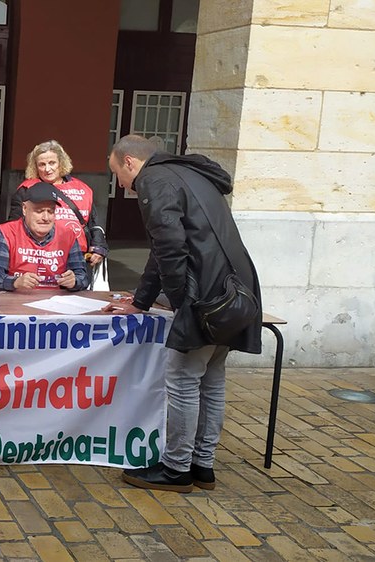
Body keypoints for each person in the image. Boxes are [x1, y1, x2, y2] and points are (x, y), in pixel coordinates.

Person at [103, 134, 262, 493]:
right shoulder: (188, 174)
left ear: (129, 162)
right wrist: (142, 300)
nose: (123, 186)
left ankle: (176, 469)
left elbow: (168, 247)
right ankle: (202, 465)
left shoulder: (154, 180)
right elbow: (169, 247)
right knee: (212, 377)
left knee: (183, 379)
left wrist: (180, 304)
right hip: (237, 288)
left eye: (118, 175)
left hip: (207, 295)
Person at [9, 140, 108, 269]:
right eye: (42, 164)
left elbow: (94, 224)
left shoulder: (83, 189)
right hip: (40, 257)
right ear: (35, 167)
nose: (47, 169)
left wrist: (98, 247)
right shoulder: (26, 190)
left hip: (77, 258)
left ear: (61, 163)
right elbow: (13, 227)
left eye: (52, 163)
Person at [0, 182, 89, 292]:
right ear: (24, 209)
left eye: (51, 211)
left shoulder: (67, 235)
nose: (46, 217)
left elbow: (83, 278)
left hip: (55, 302)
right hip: (15, 302)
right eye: (39, 211)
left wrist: (74, 281)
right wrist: (15, 282)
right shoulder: (5, 233)